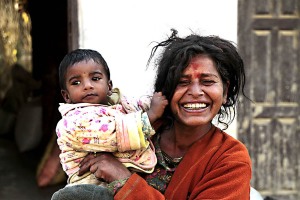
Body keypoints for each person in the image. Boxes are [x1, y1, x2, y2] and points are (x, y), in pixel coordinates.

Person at [78, 29, 252, 199]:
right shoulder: (130, 131)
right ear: (166, 90)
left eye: (207, 81)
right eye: (182, 82)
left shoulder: (231, 160)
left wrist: (123, 180)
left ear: (225, 92)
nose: (196, 92)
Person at [51, 49, 168, 200]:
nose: (87, 86)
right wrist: (151, 116)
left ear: (109, 86)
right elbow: (113, 134)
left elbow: (137, 107)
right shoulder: (72, 122)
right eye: (76, 82)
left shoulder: (117, 105)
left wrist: (157, 101)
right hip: (89, 186)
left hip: (117, 180)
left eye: (95, 78)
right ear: (66, 95)